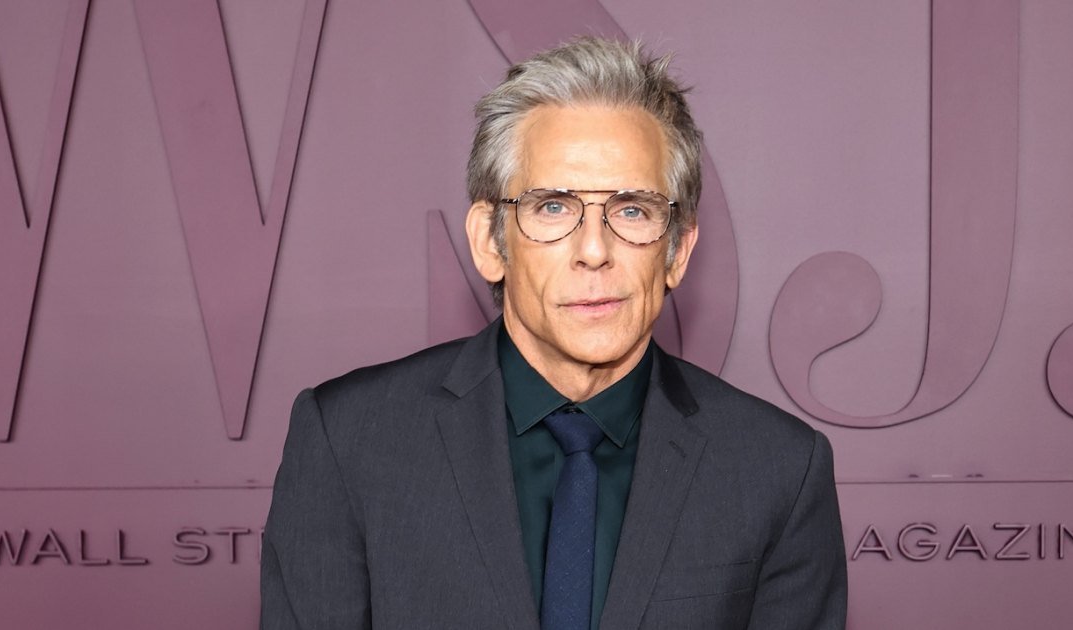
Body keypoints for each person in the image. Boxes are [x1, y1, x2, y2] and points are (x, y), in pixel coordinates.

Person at [261, 36, 847, 629]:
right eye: (552, 208)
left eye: (632, 210)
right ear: (490, 242)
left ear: (677, 250)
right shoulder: (349, 441)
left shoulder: (778, 469)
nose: (594, 250)